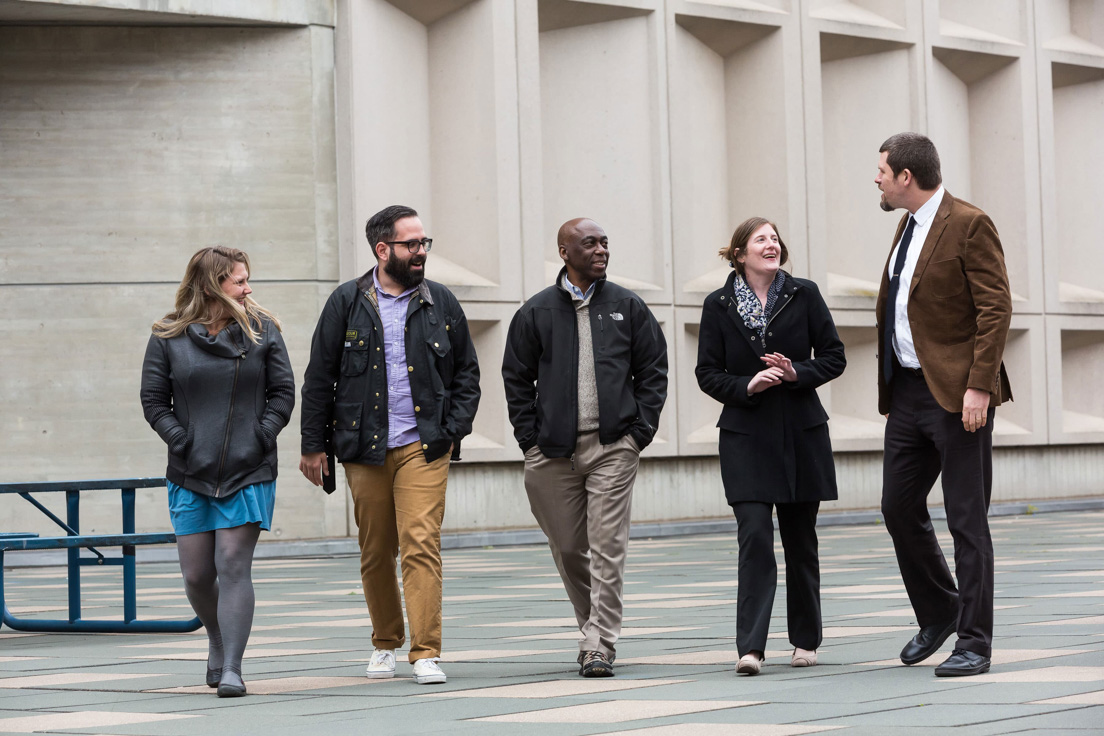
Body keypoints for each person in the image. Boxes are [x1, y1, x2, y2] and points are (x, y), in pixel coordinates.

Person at [299, 205, 480, 685]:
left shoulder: (440, 302)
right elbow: (320, 378)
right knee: (376, 549)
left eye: (424, 243)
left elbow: (467, 374)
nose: (420, 252)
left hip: (424, 446)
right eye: (411, 244)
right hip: (364, 448)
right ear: (383, 250)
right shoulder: (346, 302)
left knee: (421, 542)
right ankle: (385, 643)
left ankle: (425, 652)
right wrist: (313, 445)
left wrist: (452, 429)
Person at [502, 217, 668, 677]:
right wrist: (529, 440)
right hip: (551, 452)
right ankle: (591, 626)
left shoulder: (628, 306)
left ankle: (599, 642)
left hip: (613, 445)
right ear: (564, 251)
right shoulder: (536, 311)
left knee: (607, 544)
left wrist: (639, 434)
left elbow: (654, 371)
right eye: (589, 243)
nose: (601, 250)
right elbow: (516, 378)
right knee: (570, 548)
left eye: (605, 243)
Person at [874, 132, 1012, 677]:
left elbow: (994, 308)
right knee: (897, 506)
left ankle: (974, 642)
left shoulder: (969, 222)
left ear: (906, 176)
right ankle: (940, 609)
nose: (877, 179)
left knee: (966, 520)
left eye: (882, 170)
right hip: (908, 393)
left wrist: (979, 385)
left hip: (959, 398)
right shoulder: (906, 224)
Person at [140, 246, 295, 698]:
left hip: (249, 469)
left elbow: (283, 392)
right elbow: (153, 400)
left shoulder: (263, 331)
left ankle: (232, 667)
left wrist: (262, 434)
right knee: (195, 574)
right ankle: (216, 634)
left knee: (231, 564)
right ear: (212, 285)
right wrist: (180, 439)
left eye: (247, 280)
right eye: (239, 281)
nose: (249, 289)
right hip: (190, 470)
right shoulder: (168, 335)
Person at [695, 217, 845, 676]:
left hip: (802, 432)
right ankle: (751, 649)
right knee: (755, 537)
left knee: (801, 540)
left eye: (775, 238)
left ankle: (804, 640)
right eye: (761, 239)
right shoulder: (718, 304)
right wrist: (748, 385)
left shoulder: (806, 293)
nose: (771, 244)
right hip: (746, 436)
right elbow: (707, 373)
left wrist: (797, 372)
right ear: (740, 253)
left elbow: (834, 357)